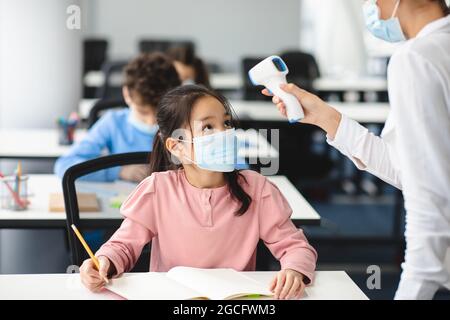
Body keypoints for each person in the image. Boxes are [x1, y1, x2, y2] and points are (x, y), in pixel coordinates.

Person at [263, 0, 450, 299]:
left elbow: (428, 195)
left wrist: (415, 288)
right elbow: (411, 169)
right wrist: (324, 116)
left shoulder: (417, 58)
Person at [79, 85, 317, 300]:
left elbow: (295, 247)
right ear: (176, 146)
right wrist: (104, 262)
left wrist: (294, 270)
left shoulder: (257, 188)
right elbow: (123, 246)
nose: (223, 133)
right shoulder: (157, 189)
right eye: (208, 127)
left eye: (226, 123)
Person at [54, 52, 181, 182]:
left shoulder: (183, 125)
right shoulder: (113, 123)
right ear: (126, 94)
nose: (151, 122)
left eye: (160, 113)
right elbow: (64, 165)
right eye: (143, 112)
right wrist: (119, 171)